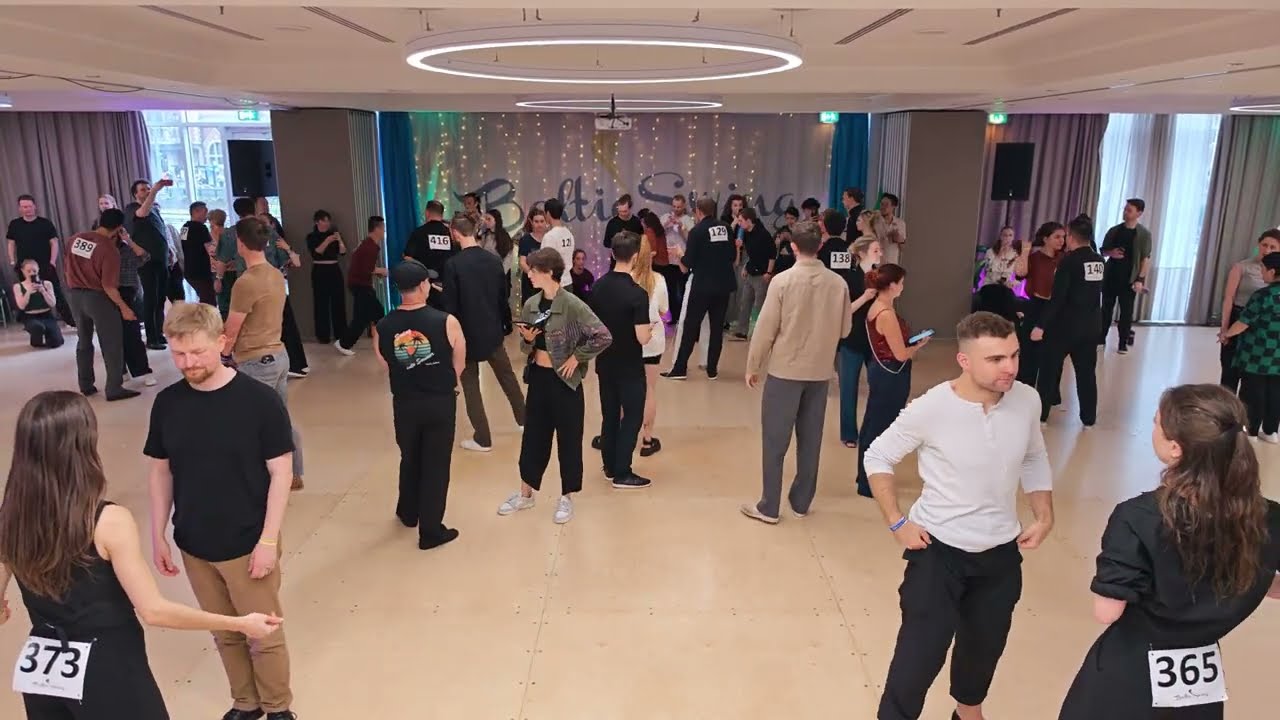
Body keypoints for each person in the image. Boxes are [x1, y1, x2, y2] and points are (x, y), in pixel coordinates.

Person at [0, 391, 281, 720]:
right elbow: (154, 610)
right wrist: (239, 623)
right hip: (108, 671)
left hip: (43, 675)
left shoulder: (9, 520)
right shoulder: (107, 521)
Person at [865, 311, 1054, 720]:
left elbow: (1034, 456)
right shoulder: (931, 408)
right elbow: (877, 456)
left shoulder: (1026, 399)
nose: (1010, 367)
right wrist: (897, 521)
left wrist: (1044, 515)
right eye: (996, 359)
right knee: (918, 657)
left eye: (1014, 355)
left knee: (983, 650)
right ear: (964, 360)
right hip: (939, 553)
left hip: (1000, 554)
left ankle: (969, 715)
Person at [1058, 384, 1280, 720]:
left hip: (1131, 672)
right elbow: (1269, 584)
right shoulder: (1268, 517)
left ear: (1175, 448)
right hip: (1200, 680)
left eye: (1156, 422)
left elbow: (1108, 610)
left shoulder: (1139, 517)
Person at [145, 302, 297, 720]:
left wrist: (268, 541)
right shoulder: (168, 404)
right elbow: (161, 471)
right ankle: (246, 702)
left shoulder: (259, 401)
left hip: (248, 542)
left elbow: (281, 473)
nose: (188, 363)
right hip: (194, 542)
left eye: (197, 352)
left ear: (222, 342)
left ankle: (278, 707)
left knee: (263, 633)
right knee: (224, 630)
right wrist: (158, 534)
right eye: (179, 354)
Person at [741, 221, 852, 523]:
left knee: (775, 440)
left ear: (792, 246)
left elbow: (765, 329)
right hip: (820, 371)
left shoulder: (782, 281)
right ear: (820, 246)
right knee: (811, 439)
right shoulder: (838, 284)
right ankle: (801, 502)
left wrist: (753, 365)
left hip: (785, 370)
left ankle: (769, 506)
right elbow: (845, 329)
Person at [498, 248, 612, 524]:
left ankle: (567, 496)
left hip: (565, 383)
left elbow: (602, 335)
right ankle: (526, 493)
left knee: (569, 439)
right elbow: (526, 346)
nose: (530, 275)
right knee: (533, 436)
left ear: (549, 272)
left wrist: (577, 357)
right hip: (539, 378)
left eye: (534, 271)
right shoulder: (531, 304)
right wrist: (527, 340)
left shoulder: (572, 304)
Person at [374, 260, 467, 549]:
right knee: (436, 465)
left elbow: (386, 363)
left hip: (404, 402)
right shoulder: (447, 321)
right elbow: (459, 364)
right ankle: (430, 531)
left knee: (410, 455)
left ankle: (408, 511)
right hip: (439, 401)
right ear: (424, 285)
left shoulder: (383, 326)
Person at [222, 216, 306, 491]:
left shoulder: (246, 282)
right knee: (279, 417)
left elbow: (232, 328)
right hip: (278, 355)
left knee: (248, 421)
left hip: (256, 360)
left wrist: (223, 355)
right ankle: (293, 472)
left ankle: (256, 478)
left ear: (240, 243)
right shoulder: (275, 274)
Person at [442, 213, 526, 452]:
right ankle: (525, 420)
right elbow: (502, 297)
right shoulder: (493, 261)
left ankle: (483, 438)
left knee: (470, 386)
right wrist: (505, 324)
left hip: (465, 334)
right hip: (492, 330)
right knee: (507, 378)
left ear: (455, 233)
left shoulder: (453, 265)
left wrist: (450, 337)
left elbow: (450, 306)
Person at [590, 231, 654, 489]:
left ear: (612, 253)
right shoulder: (637, 294)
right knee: (632, 416)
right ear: (636, 257)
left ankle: (609, 466)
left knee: (609, 415)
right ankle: (623, 471)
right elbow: (642, 337)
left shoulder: (598, 286)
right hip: (630, 365)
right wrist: (651, 330)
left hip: (605, 361)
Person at [856, 263, 926, 497]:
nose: (903, 287)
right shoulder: (886, 313)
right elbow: (900, 354)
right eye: (901, 283)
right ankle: (869, 481)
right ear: (892, 285)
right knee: (880, 427)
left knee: (872, 423)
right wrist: (917, 346)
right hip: (891, 375)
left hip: (882, 371)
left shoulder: (877, 307)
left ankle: (864, 475)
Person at [1033, 215, 1104, 426]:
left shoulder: (1069, 261)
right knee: (1086, 373)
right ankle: (1088, 419)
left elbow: (1058, 298)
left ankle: (1041, 416)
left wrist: (1041, 325)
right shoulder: (1099, 261)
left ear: (1072, 237)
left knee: (1049, 370)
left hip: (1064, 326)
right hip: (1091, 326)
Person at [64, 209, 138, 401]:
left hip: (74, 295)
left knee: (83, 340)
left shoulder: (75, 239)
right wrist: (124, 308)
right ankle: (114, 388)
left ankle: (85, 384)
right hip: (98, 298)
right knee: (111, 342)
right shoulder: (109, 250)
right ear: (119, 228)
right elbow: (109, 286)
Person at [664, 197, 736, 381]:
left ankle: (680, 368)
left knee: (690, 326)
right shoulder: (726, 228)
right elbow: (732, 255)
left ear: (698, 211)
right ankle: (712, 370)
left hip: (703, 285)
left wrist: (679, 254)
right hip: (723, 285)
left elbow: (687, 263)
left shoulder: (697, 231)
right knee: (717, 328)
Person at [1219, 251, 1280, 442]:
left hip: (1257, 352)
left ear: (1272, 272)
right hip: (1278, 354)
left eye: (1263, 269)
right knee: (1275, 391)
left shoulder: (1263, 295)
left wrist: (1226, 334)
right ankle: (1271, 431)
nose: (1261, 273)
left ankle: (1250, 432)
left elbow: (1244, 322)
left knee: (1252, 391)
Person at [1218, 229, 1280, 393]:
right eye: (1264, 245)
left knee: (1253, 374)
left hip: (1263, 326)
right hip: (1239, 318)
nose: (1267, 250)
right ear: (1258, 244)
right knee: (1229, 370)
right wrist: (1225, 328)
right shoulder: (1242, 267)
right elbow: (1229, 298)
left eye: (1273, 247)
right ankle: (1226, 405)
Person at [838, 230, 882, 448]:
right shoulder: (848, 278)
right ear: (863, 253)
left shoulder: (880, 277)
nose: (880, 254)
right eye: (876, 250)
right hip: (852, 338)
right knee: (848, 388)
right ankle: (848, 433)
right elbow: (844, 310)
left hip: (874, 339)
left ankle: (873, 430)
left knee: (879, 387)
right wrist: (865, 297)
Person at [1013, 221, 1065, 392]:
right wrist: (1025, 251)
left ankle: (1050, 393)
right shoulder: (1034, 257)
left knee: (1053, 354)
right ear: (1045, 239)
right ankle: (1025, 389)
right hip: (1036, 306)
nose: (1061, 240)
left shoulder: (1064, 259)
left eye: (1063, 237)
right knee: (1029, 351)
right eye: (1057, 237)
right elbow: (1020, 273)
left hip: (1057, 309)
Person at [7, 193, 73, 326]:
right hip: (24, 266)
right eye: (24, 207)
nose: (27, 209)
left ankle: (70, 320)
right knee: (27, 292)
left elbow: (54, 243)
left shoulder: (45, 223)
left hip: (44, 264)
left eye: (29, 206)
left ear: (34, 206)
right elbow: (11, 243)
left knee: (55, 291)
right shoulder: (15, 224)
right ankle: (31, 322)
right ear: (20, 208)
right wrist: (12, 261)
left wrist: (52, 262)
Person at [123, 179, 174, 349]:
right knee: (151, 298)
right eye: (143, 190)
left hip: (161, 259)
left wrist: (169, 250)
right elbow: (142, 213)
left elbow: (160, 231)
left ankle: (159, 333)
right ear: (135, 194)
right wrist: (155, 190)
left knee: (160, 298)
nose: (147, 191)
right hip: (146, 262)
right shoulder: (132, 208)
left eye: (148, 188)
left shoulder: (154, 209)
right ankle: (151, 338)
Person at [1098, 198, 1152, 354]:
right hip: (1111, 276)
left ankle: (1122, 342)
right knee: (1106, 309)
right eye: (1125, 209)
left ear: (1139, 213)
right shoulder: (1114, 230)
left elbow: (1145, 258)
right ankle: (1101, 338)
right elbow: (1103, 251)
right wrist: (1111, 253)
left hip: (1129, 278)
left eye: (1129, 210)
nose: (1125, 212)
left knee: (1126, 312)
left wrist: (1140, 279)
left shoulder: (1144, 234)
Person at [634, 233, 670, 457]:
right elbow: (664, 310)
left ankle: (622, 434)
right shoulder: (659, 280)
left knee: (625, 391)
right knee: (649, 391)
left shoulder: (625, 279)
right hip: (653, 342)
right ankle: (647, 440)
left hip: (630, 342)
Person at [335, 216, 389, 354]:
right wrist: (382, 271)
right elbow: (367, 269)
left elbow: (364, 266)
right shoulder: (370, 247)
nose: (384, 231)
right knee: (364, 317)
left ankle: (381, 342)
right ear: (377, 229)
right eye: (383, 228)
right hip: (361, 285)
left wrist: (377, 272)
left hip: (359, 284)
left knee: (375, 313)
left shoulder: (368, 244)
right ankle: (344, 343)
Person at [116, 221, 156, 387]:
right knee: (114, 336)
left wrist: (128, 240)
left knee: (132, 334)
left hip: (127, 292)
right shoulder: (102, 250)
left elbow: (145, 256)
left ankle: (142, 370)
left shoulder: (126, 250)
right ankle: (121, 369)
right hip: (105, 293)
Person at [731, 208, 776, 339]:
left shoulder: (763, 234)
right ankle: (742, 330)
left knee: (759, 305)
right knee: (745, 302)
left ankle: (762, 332)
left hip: (762, 274)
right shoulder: (746, 234)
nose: (739, 223)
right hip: (751, 272)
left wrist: (769, 272)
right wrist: (746, 267)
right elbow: (751, 254)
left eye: (741, 221)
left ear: (749, 220)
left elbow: (772, 255)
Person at [404, 200, 457, 309]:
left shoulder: (419, 233)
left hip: (425, 288)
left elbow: (408, 258)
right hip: (448, 288)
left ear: (427, 213)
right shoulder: (451, 234)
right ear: (442, 214)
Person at [306, 209, 347, 345]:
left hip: (334, 269)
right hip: (319, 270)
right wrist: (327, 241)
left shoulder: (334, 234)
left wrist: (339, 240)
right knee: (321, 303)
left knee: (338, 302)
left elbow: (343, 252)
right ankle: (323, 335)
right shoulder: (311, 237)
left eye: (328, 220)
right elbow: (317, 252)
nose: (327, 223)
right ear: (317, 222)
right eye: (324, 220)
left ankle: (340, 333)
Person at [13, 258, 63, 349]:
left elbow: (52, 304)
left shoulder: (47, 284)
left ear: (38, 270)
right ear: (23, 271)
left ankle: (49, 334)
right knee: (37, 327)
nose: (32, 273)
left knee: (57, 342)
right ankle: (36, 341)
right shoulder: (18, 286)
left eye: (34, 271)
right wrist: (28, 292)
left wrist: (43, 291)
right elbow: (21, 306)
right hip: (29, 316)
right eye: (28, 271)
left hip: (46, 315)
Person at [181, 202, 217, 305]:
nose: (207, 215)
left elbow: (182, 246)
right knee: (209, 302)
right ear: (196, 212)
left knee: (203, 297)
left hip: (189, 270)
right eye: (205, 211)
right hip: (201, 271)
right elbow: (210, 249)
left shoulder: (184, 227)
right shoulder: (202, 228)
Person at [540, 198, 576, 286]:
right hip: (568, 281)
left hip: (554, 283)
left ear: (548, 213)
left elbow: (545, 262)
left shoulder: (550, 236)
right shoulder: (569, 233)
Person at [211, 208, 238, 318]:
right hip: (233, 270)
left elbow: (219, 257)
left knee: (224, 304)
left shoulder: (214, 235)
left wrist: (218, 278)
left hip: (220, 272)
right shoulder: (231, 234)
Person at [518, 208, 548, 303]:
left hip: (546, 281)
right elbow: (522, 262)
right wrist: (533, 274)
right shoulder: (525, 240)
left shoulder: (550, 239)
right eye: (536, 221)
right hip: (530, 282)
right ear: (531, 222)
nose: (539, 224)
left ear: (546, 222)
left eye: (542, 221)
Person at [874, 193, 907, 266]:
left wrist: (899, 240)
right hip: (875, 264)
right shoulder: (874, 222)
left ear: (893, 206)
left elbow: (903, 248)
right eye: (882, 204)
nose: (882, 207)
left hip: (892, 264)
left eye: (886, 205)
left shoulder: (900, 223)